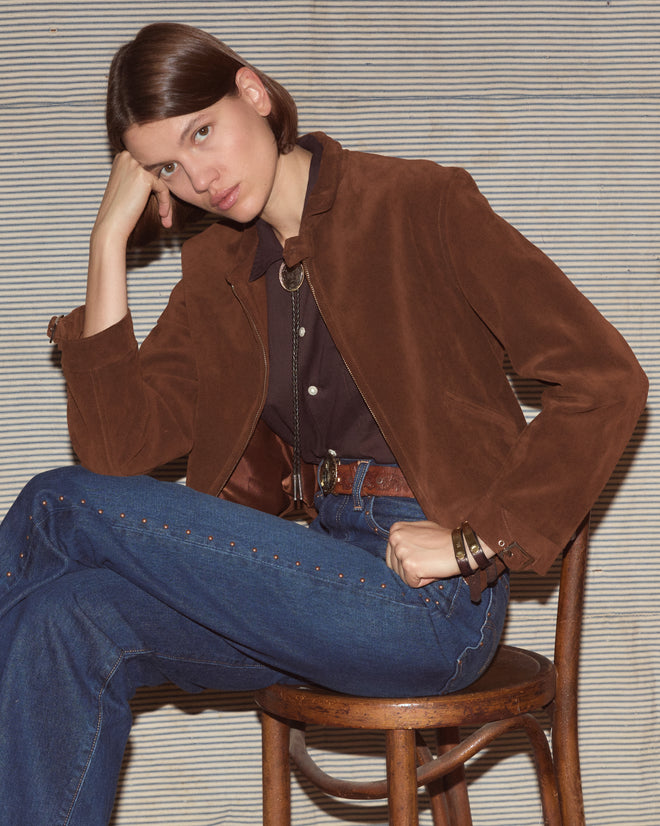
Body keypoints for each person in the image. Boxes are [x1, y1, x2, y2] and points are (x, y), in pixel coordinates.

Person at [0, 21, 647, 826]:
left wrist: (479, 541)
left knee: (59, 503)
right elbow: (116, 449)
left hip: (427, 607)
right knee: (60, 621)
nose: (199, 176)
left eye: (203, 133)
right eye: (167, 165)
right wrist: (106, 242)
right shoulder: (219, 269)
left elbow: (605, 379)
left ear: (253, 92)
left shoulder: (418, 203)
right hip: (304, 575)